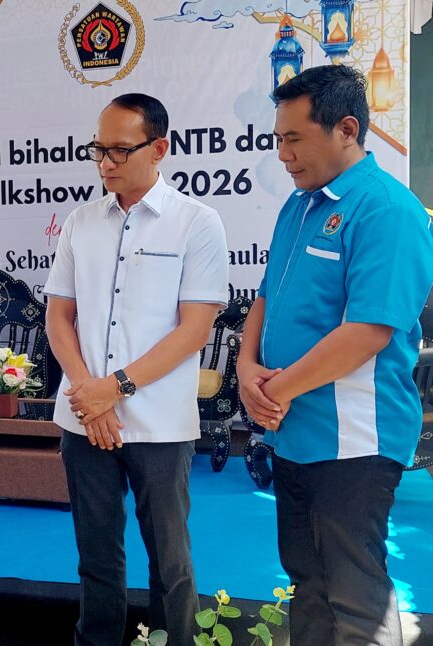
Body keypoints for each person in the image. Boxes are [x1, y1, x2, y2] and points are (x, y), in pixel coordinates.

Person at [237, 64, 433, 645]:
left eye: (295, 138)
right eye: (279, 139)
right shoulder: (298, 207)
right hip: (292, 432)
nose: (283, 155)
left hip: (355, 441)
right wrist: (245, 368)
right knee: (307, 583)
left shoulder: (387, 210)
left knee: (355, 595)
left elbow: (367, 331)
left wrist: (274, 391)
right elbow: (265, 297)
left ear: (346, 129)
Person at [44, 94, 229, 646]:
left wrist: (115, 388)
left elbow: (194, 330)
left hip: (160, 423)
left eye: (120, 150)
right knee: (96, 555)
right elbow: (59, 316)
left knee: (170, 560)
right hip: (84, 418)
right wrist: (89, 394)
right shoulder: (81, 222)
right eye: (98, 150)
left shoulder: (197, 223)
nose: (106, 163)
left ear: (160, 148)